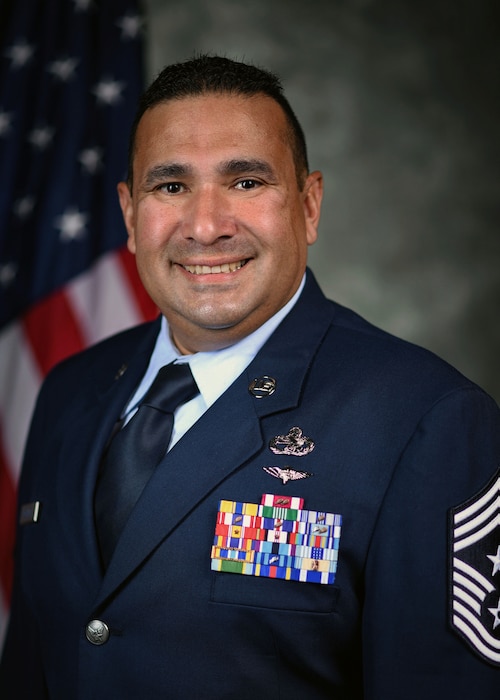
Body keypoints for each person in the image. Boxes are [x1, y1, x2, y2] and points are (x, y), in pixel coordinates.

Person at [1, 54, 499, 699]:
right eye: (170, 187)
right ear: (130, 215)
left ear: (309, 205)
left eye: (245, 182)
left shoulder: (427, 421)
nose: (206, 227)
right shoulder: (69, 391)